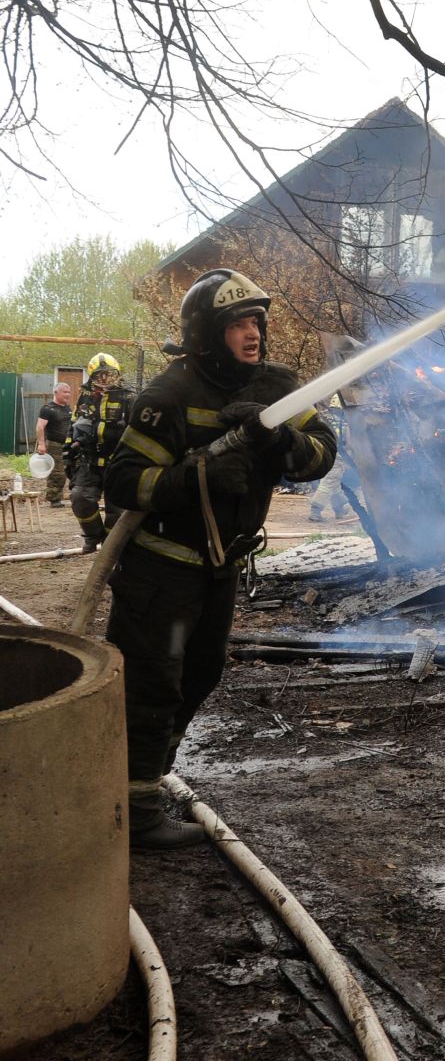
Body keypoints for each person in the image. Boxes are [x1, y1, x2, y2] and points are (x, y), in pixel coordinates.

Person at [103, 269, 338, 849]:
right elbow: (125, 483)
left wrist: (280, 441)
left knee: (200, 674)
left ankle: (144, 780)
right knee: (152, 683)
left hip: (219, 567)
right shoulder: (171, 394)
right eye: (237, 323)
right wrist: (194, 476)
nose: (252, 333)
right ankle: (134, 817)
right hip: (162, 568)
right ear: (208, 334)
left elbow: (323, 454)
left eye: (256, 321)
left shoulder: (276, 386)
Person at [66, 353, 135, 552]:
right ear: (92, 376)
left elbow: (139, 430)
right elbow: (74, 424)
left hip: (118, 462)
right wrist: (68, 454)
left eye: (109, 374)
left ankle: (111, 545)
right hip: (90, 460)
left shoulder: (129, 397)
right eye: (100, 375)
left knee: (118, 510)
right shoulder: (86, 396)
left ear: (117, 374)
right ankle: (92, 535)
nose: (105, 379)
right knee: (80, 498)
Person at [35, 381, 72, 506]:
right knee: (57, 473)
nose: (67, 395)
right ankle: (54, 499)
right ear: (56, 392)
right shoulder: (47, 409)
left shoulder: (68, 408)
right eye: (64, 392)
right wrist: (41, 444)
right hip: (54, 445)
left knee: (71, 470)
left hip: (69, 445)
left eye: (69, 392)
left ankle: (73, 495)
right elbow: (40, 427)